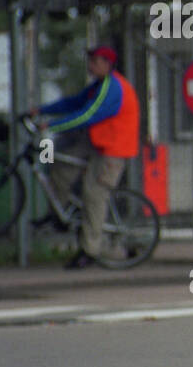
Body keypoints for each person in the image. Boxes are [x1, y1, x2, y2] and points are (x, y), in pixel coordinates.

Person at [29, 45, 140, 269]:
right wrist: (42, 110)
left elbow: (88, 114)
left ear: (108, 65)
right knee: (59, 163)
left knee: (94, 194)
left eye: (95, 62)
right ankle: (58, 214)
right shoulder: (97, 86)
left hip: (113, 149)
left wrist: (52, 125)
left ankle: (90, 250)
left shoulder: (113, 87)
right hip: (95, 142)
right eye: (90, 61)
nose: (90, 66)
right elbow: (74, 102)